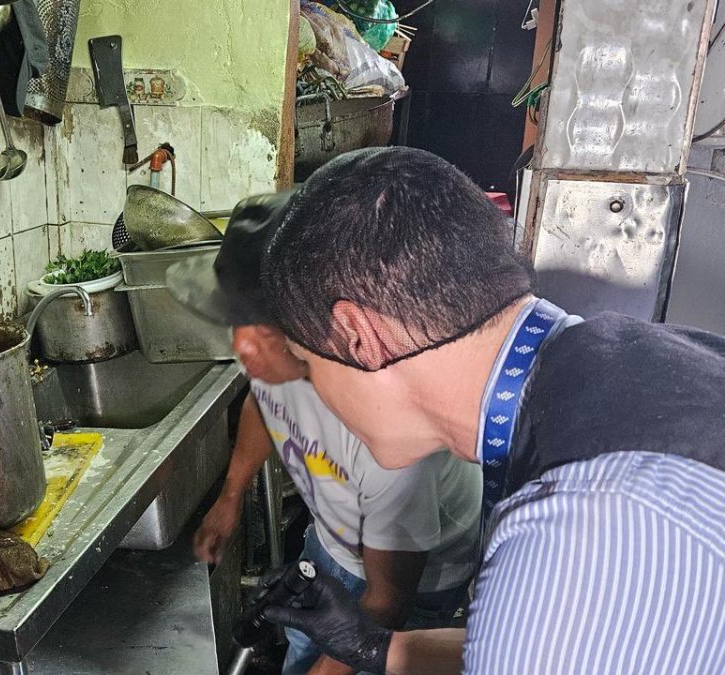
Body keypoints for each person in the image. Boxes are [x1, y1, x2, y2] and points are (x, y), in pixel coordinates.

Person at [256, 147, 725, 674]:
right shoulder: (626, 362)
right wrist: (372, 645)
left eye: (306, 362)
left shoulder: (575, 529)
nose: (313, 390)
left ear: (359, 337)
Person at [166, 195, 483, 675]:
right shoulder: (277, 358)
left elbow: (388, 601)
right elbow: (263, 404)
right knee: (303, 645)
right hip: (332, 543)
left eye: (262, 329)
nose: (241, 345)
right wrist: (231, 494)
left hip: (415, 583)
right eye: (237, 320)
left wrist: (331, 668)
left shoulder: (387, 436)